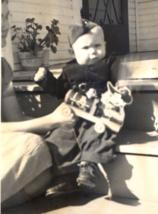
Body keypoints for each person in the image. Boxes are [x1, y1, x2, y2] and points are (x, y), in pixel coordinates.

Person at [34, 20, 132, 194]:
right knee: (59, 137)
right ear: (72, 51)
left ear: (105, 45)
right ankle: (67, 177)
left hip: (102, 113)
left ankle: (89, 167)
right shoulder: (69, 69)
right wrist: (45, 79)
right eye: (85, 48)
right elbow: (59, 91)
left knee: (94, 130)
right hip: (75, 113)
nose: (93, 51)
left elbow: (121, 84)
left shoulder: (110, 63)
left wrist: (121, 93)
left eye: (97, 45)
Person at [1, 0, 76, 208]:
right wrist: (49, 121)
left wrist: (59, 122)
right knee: (33, 147)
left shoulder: (3, 67)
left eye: (7, 16)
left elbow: (15, 119)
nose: (6, 24)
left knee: (47, 170)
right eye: (0, 18)